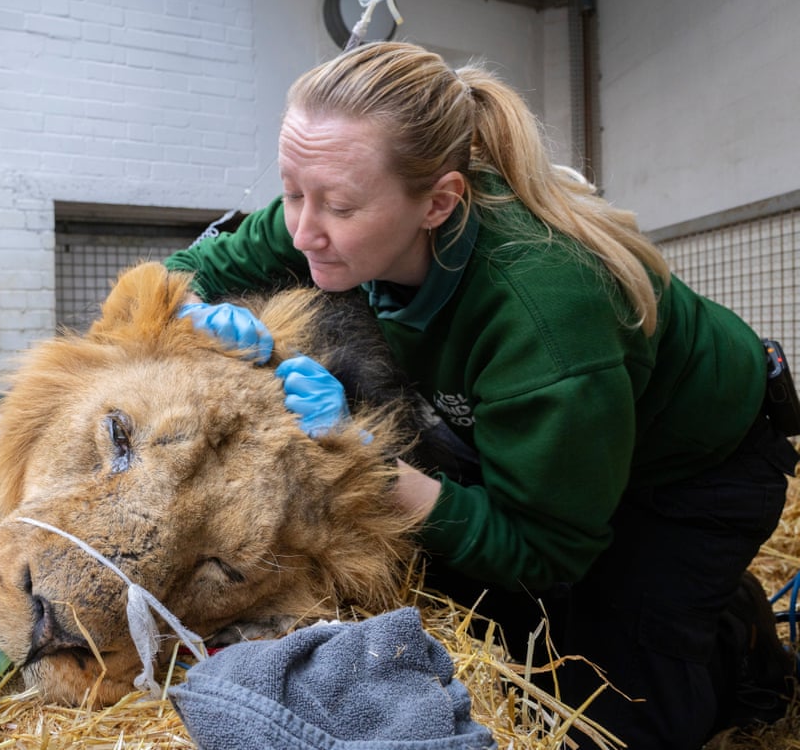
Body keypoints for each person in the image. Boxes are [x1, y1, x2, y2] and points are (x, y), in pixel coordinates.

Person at [165, 41, 799, 749]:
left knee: (603, 716)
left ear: (438, 202)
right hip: (558, 448)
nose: (304, 228)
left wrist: (369, 463)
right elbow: (191, 267)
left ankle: (732, 641)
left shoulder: (543, 316)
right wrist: (191, 310)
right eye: (291, 190)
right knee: (491, 618)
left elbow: (546, 549)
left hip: (691, 470)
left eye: (337, 205)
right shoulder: (330, 212)